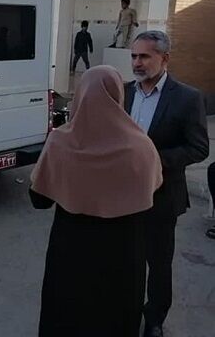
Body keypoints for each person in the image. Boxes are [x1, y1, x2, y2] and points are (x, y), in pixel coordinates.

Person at [30, 66, 163, 337]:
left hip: (71, 252)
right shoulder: (141, 146)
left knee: (68, 314)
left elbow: (39, 200)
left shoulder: (59, 142)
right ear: (118, 96)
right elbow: (153, 194)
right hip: (124, 253)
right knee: (116, 315)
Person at [125, 31, 209, 337]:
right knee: (126, 257)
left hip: (162, 197)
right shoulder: (124, 92)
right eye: (134, 56)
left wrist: (153, 158)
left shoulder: (188, 97)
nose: (137, 62)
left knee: (158, 263)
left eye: (145, 56)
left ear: (165, 58)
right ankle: (126, 310)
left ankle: (155, 319)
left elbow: (199, 148)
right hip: (123, 196)